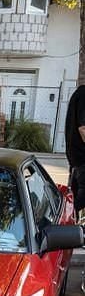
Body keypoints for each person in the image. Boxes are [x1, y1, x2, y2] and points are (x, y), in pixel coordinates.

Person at [65, 85, 85, 219]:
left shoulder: (80, 93)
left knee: (72, 201)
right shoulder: (84, 95)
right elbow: (83, 129)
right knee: (75, 204)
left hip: (77, 159)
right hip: (82, 158)